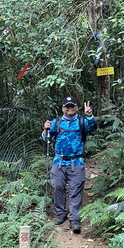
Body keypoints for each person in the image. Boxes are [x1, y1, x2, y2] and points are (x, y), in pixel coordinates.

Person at [42, 96, 97, 234]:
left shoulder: (81, 121)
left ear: (76, 108)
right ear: (63, 108)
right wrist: (45, 129)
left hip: (76, 162)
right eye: (67, 106)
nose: (70, 109)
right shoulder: (57, 122)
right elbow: (46, 138)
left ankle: (75, 219)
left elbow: (93, 128)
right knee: (58, 187)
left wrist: (89, 116)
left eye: (72, 106)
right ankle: (60, 214)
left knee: (76, 190)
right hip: (59, 162)